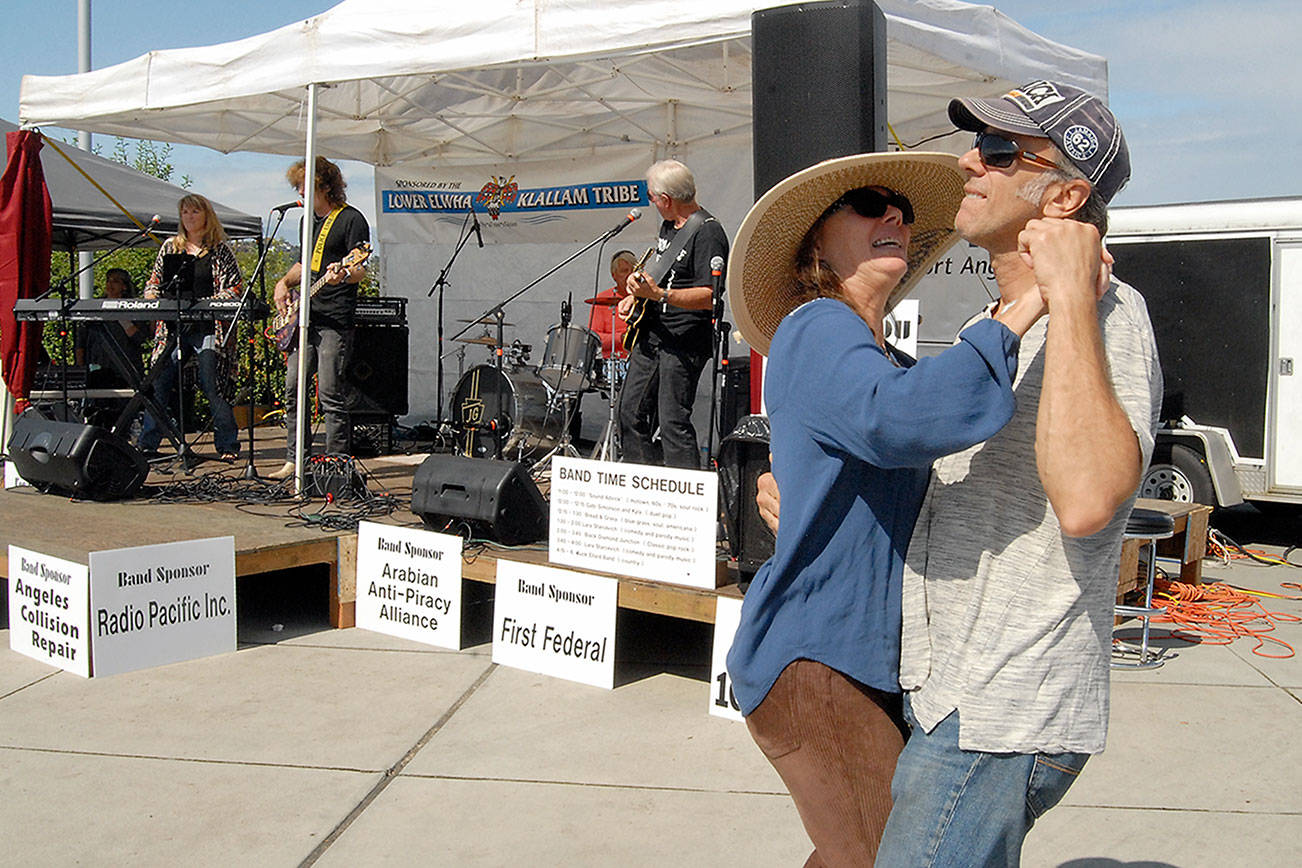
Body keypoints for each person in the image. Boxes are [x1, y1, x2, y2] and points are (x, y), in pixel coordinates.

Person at [756, 81, 1163, 866]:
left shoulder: (1111, 313)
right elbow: (934, 480)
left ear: (1066, 195)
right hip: (945, 695)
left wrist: (1070, 295)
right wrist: (812, 503)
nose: (968, 161)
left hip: (1004, 711)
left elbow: (1085, 504)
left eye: (1002, 150)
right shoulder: (985, 329)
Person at [724, 151, 1045, 866]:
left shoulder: (885, 363)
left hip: (848, 663)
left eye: (899, 208)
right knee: (877, 857)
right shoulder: (817, 325)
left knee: (847, 852)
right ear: (816, 243)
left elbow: (908, 429)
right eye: (870, 203)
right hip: (818, 660)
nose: (894, 215)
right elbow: (894, 421)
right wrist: (1022, 307)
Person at [616, 159, 728, 468]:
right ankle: (645, 489)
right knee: (630, 412)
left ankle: (687, 506)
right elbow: (661, 272)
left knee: (672, 422)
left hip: (684, 338)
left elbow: (710, 295)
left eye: (651, 196)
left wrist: (661, 295)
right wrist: (634, 293)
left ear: (665, 200)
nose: (650, 202)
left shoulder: (708, 233)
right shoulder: (668, 227)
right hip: (652, 333)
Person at [269, 156, 370, 480]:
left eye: (304, 185)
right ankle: (294, 458)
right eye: (297, 185)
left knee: (329, 392)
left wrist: (343, 274)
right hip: (305, 317)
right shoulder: (306, 222)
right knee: (293, 388)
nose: (299, 190)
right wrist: (284, 283)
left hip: (335, 319)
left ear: (324, 185)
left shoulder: (351, 219)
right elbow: (305, 265)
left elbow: (359, 268)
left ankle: (337, 464)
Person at [138, 194, 243, 460]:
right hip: (173, 326)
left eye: (195, 212)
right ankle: (148, 443)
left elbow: (235, 289)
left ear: (207, 216)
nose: (189, 217)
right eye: (185, 212)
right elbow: (153, 283)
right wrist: (152, 299)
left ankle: (227, 444)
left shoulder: (220, 250)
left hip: (208, 326)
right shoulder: (171, 247)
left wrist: (205, 303)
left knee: (212, 382)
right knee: (158, 382)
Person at [76, 268, 148, 429]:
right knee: (98, 408)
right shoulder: (94, 307)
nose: (110, 284)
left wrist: (123, 320)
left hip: (126, 368)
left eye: (115, 281)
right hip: (98, 368)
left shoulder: (134, 307)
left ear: (124, 286)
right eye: (108, 280)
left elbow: (141, 337)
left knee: (124, 410)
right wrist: (80, 366)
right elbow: (81, 341)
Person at [587, 249, 634, 358]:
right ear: (614, 276)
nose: (630, 275)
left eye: (633, 271)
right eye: (624, 271)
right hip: (612, 363)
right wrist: (621, 338)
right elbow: (593, 338)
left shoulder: (646, 298)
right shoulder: (602, 299)